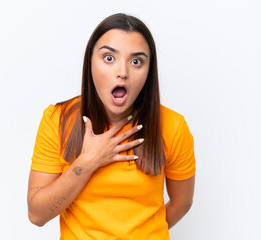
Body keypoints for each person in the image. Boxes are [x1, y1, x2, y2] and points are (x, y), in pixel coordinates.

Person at [27, 13, 196, 239]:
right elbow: (37, 215)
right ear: (90, 62)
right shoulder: (58, 120)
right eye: (109, 58)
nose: (122, 72)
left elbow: (181, 203)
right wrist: (89, 161)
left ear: (149, 71)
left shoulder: (172, 126)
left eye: (136, 61)